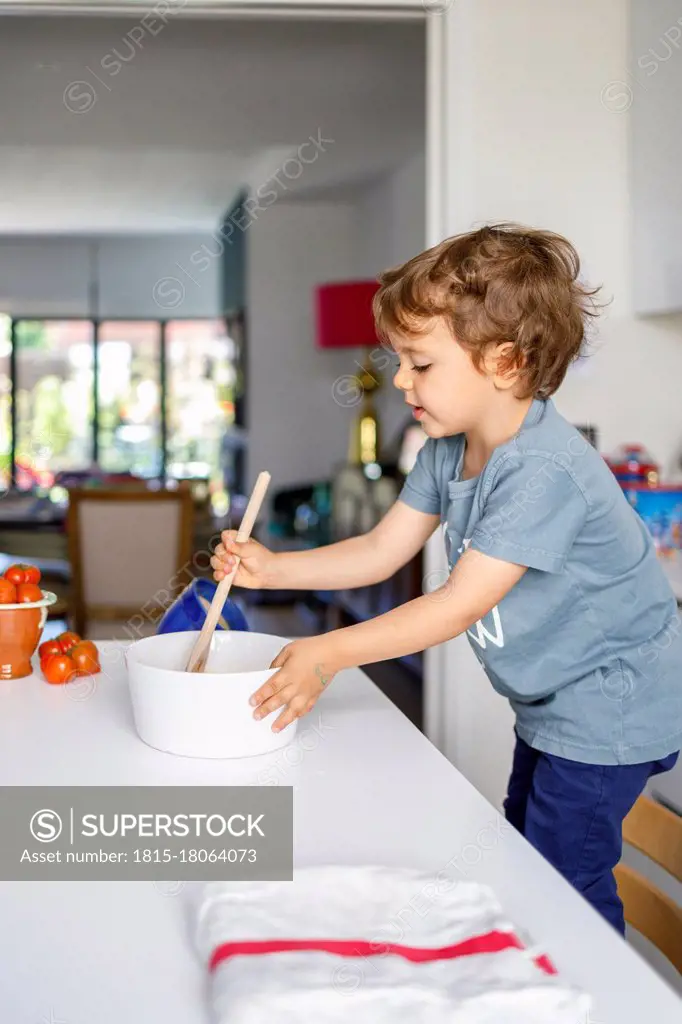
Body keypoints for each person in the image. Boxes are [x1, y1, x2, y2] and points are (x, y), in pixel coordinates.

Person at [211, 223, 682, 934]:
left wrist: (328, 651)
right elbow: (378, 551)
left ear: (506, 362)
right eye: (398, 361)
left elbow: (458, 605)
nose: (401, 381)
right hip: (556, 700)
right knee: (527, 853)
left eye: (419, 364)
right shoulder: (447, 451)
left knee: (562, 881)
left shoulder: (541, 472)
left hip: (611, 702)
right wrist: (272, 568)